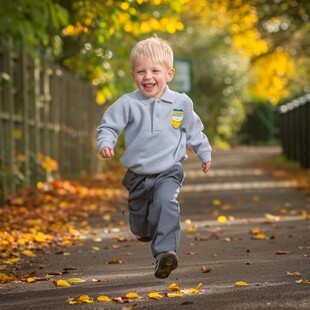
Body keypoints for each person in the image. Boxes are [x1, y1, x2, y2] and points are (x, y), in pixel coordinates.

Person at [97, 36, 212, 279]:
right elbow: (109, 126)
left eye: (154, 71)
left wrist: (204, 152)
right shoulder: (128, 103)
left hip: (169, 170)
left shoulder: (181, 103)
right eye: (141, 71)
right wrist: (106, 141)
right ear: (133, 76)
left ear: (169, 74)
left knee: (165, 203)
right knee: (140, 223)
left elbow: (194, 131)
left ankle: (165, 254)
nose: (148, 77)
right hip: (137, 175)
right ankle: (143, 229)